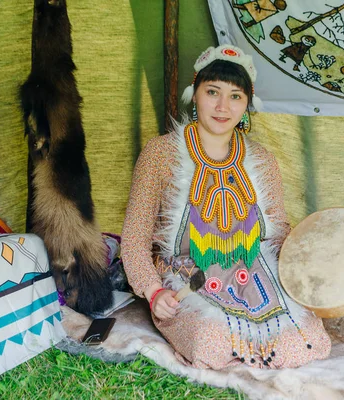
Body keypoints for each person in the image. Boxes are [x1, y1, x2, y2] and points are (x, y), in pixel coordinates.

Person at [121, 45, 331, 369]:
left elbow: (278, 232)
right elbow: (134, 240)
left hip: (254, 266)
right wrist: (153, 293)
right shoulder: (160, 154)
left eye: (235, 96)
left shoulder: (261, 159)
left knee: (302, 342)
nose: (223, 106)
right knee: (211, 342)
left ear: (247, 104)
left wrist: (310, 262)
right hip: (187, 273)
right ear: (196, 95)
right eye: (213, 92)